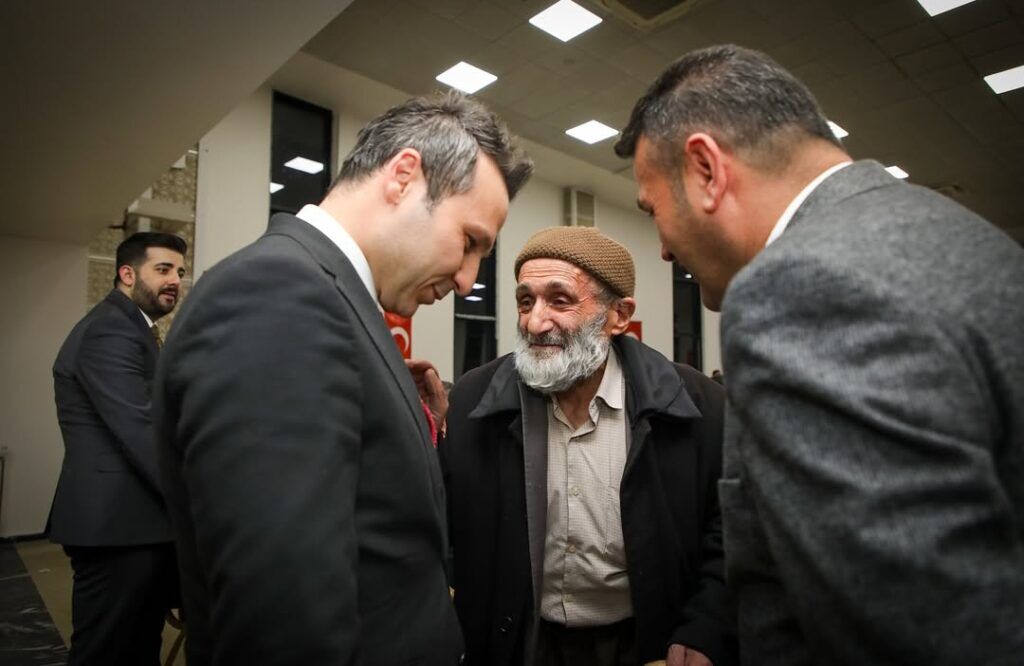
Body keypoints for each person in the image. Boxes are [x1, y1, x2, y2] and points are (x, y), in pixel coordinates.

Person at [615, 44, 1024, 664]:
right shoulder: (961, 234)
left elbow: (905, 630)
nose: (664, 249)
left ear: (706, 170)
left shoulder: (800, 286)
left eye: (653, 211)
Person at [154, 91, 533, 665]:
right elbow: (282, 618)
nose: (466, 279)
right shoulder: (279, 293)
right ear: (404, 177)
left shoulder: (333, 300)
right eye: (469, 242)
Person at [441, 226, 736, 666]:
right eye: (526, 301)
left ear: (619, 315)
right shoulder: (474, 400)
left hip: (643, 646)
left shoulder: (695, 406)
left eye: (560, 300)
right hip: (521, 646)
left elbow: (730, 532)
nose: (535, 322)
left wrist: (706, 625)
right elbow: (445, 530)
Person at [50, 231, 187, 665]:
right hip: (117, 528)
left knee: (138, 647)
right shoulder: (111, 329)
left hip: (138, 526)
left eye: (179, 272)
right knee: (105, 652)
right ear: (127, 274)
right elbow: (142, 430)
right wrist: (200, 500)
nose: (175, 280)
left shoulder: (135, 329)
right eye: (162, 269)